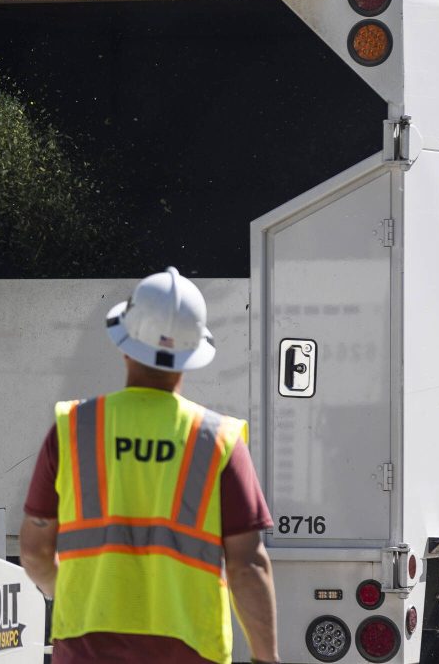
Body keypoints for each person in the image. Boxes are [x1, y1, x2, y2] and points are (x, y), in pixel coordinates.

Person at [20, 267, 279, 664]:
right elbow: (248, 565)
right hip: (191, 652)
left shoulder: (74, 428)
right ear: (193, 356)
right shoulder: (219, 441)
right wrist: (267, 658)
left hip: (86, 651)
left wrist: (73, 592)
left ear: (124, 344)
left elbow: (36, 552)